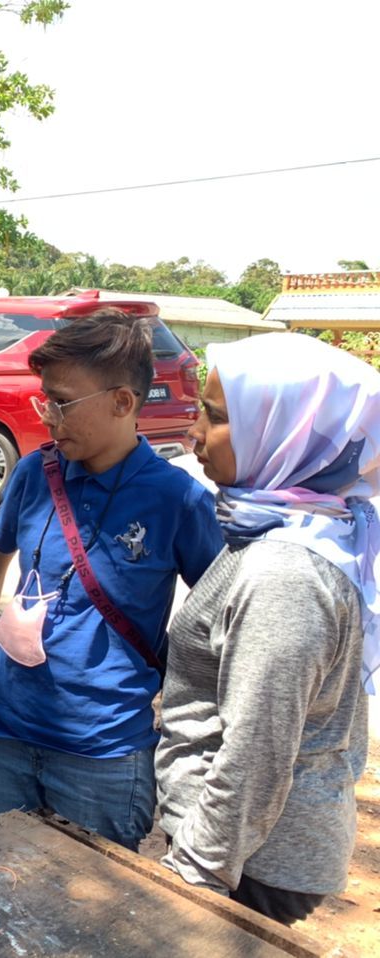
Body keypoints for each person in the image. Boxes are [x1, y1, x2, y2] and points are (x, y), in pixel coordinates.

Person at [0, 310, 223, 851]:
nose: (49, 416)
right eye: (44, 399)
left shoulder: (176, 500)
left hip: (102, 753)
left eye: (62, 402)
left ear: (123, 402)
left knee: (92, 913)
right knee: (8, 884)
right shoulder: (34, 473)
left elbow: (222, 613)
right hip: (8, 731)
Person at [156, 333, 374, 924]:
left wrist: (196, 878)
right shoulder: (288, 524)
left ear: (287, 431)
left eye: (218, 417)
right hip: (241, 851)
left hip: (246, 868)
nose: (193, 434)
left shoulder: (284, 572)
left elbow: (257, 752)